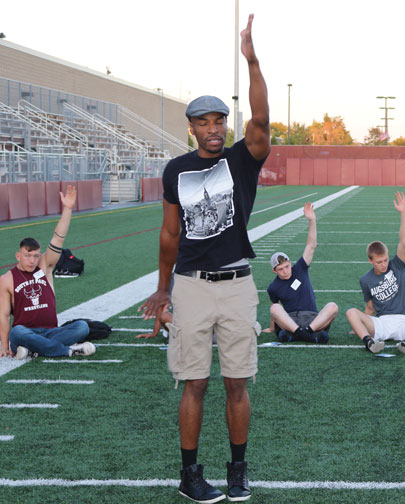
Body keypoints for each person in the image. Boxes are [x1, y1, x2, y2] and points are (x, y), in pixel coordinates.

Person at [138, 14, 269, 504]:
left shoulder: (243, 157)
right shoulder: (175, 169)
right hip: (191, 284)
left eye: (219, 121)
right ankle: (189, 474)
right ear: (191, 127)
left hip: (236, 283)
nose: (213, 129)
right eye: (204, 122)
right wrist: (163, 287)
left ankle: (238, 469)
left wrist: (252, 60)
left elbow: (261, 118)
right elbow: (170, 233)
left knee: (238, 382)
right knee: (193, 383)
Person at [0, 185, 94, 360]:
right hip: (25, 331)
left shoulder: (44, 266)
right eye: (27, 256)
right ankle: (67, 351)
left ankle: (33, 349)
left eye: (35, 256)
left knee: (82, 327)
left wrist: (67, 209)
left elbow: (58, 238)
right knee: (17, 332)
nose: (32, 260)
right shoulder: (7, 279)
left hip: (52, 330)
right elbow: (4, 315)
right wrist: (5, 346)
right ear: (18, 256)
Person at [345, 191, 405, 355]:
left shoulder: (397, 265)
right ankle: (369, 343)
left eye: (385, 260)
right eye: (379, 262)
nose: (384, 264)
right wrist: (361, 326)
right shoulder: (366, 279)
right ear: (370, 261)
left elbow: (404, 242)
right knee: (351, 312)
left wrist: (404, 213)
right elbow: (370, 307)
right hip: (382, 324)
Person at [265, 202, 338, 344]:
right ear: (274, 270)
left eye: (287, 266)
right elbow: (275, 311)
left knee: (333, 306)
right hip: (291, 320)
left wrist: (312, 221)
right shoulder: (273, 287)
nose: (286, 271)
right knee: (274, 307)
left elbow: (311, 245)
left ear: (290, 263)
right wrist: (272, 328)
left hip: (313, 319)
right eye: (281, 269)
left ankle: (302, 334)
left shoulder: (300, 268)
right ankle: (309, 336)